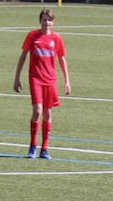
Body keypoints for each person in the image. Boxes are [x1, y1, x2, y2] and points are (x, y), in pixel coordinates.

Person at [13, 9, 71, 160]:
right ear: (40, 21)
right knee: (37, 110)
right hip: (36, 78)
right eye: (44, 20)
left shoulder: (56, 38)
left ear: (53, 22)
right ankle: (33, 146)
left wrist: (67, 80)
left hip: (50, 80)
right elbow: (23, 56)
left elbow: (62, 58)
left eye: (49, 20)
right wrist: (17, 78)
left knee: (48, 113)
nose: (47, 23)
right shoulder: (32, 36)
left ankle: (44, 149)